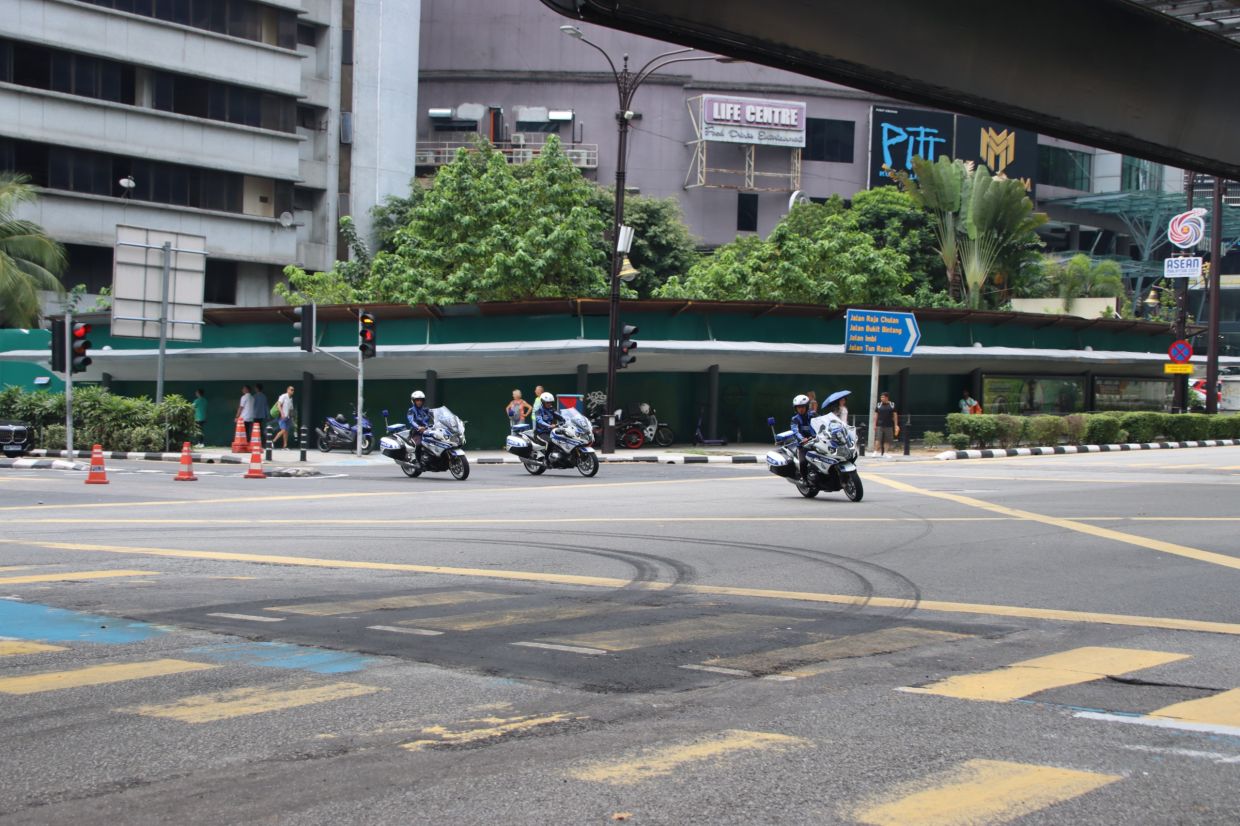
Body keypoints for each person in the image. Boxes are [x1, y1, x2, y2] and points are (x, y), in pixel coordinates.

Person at [791, 394, 816, 479]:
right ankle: (804, 479)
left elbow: (822, 423)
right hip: (803, 445)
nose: (801, 409)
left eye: (802, 407)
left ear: (806, 407)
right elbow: (795, 431)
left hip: (816, 442)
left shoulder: (812, 415)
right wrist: (802, 439)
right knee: (803, 462)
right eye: (798, 407)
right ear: (796, 408)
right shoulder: (795, 419)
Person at [533, 391, 563, 456]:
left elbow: (560, 416)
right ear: (543, 402)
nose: (549, 404)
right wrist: (549, 426)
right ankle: (546, 460)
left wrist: (566, 420)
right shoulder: (538, 411)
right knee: (550, 442)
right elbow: (539, 421)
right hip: (541, 433)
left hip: (552, 431)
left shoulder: (552, 409)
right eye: (547, 402)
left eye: (550, 402)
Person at [407, 390, 432, 463]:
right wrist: (418, 427)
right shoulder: (411, 410)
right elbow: (411, 421)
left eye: (421, 400)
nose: (419, 402)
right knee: (419, 444)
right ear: (413, 401)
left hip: (428, 430)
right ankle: (418, 462)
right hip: (416, 432)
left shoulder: (426, 410)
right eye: (417, 400)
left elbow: (436, 416)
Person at [873, 391, 899, 457]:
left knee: (887, 439)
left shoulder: (892, 405)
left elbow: (895, 415)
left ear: (887, 398)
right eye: (881, 397)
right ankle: (875, 451)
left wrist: (896, 425)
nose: (881, 398)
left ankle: (886, 452)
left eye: (883, 397)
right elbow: (876, 415)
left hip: (889, 425)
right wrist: (874, 424)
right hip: (879, 424)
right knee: (878, 438)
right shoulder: (878, 405)